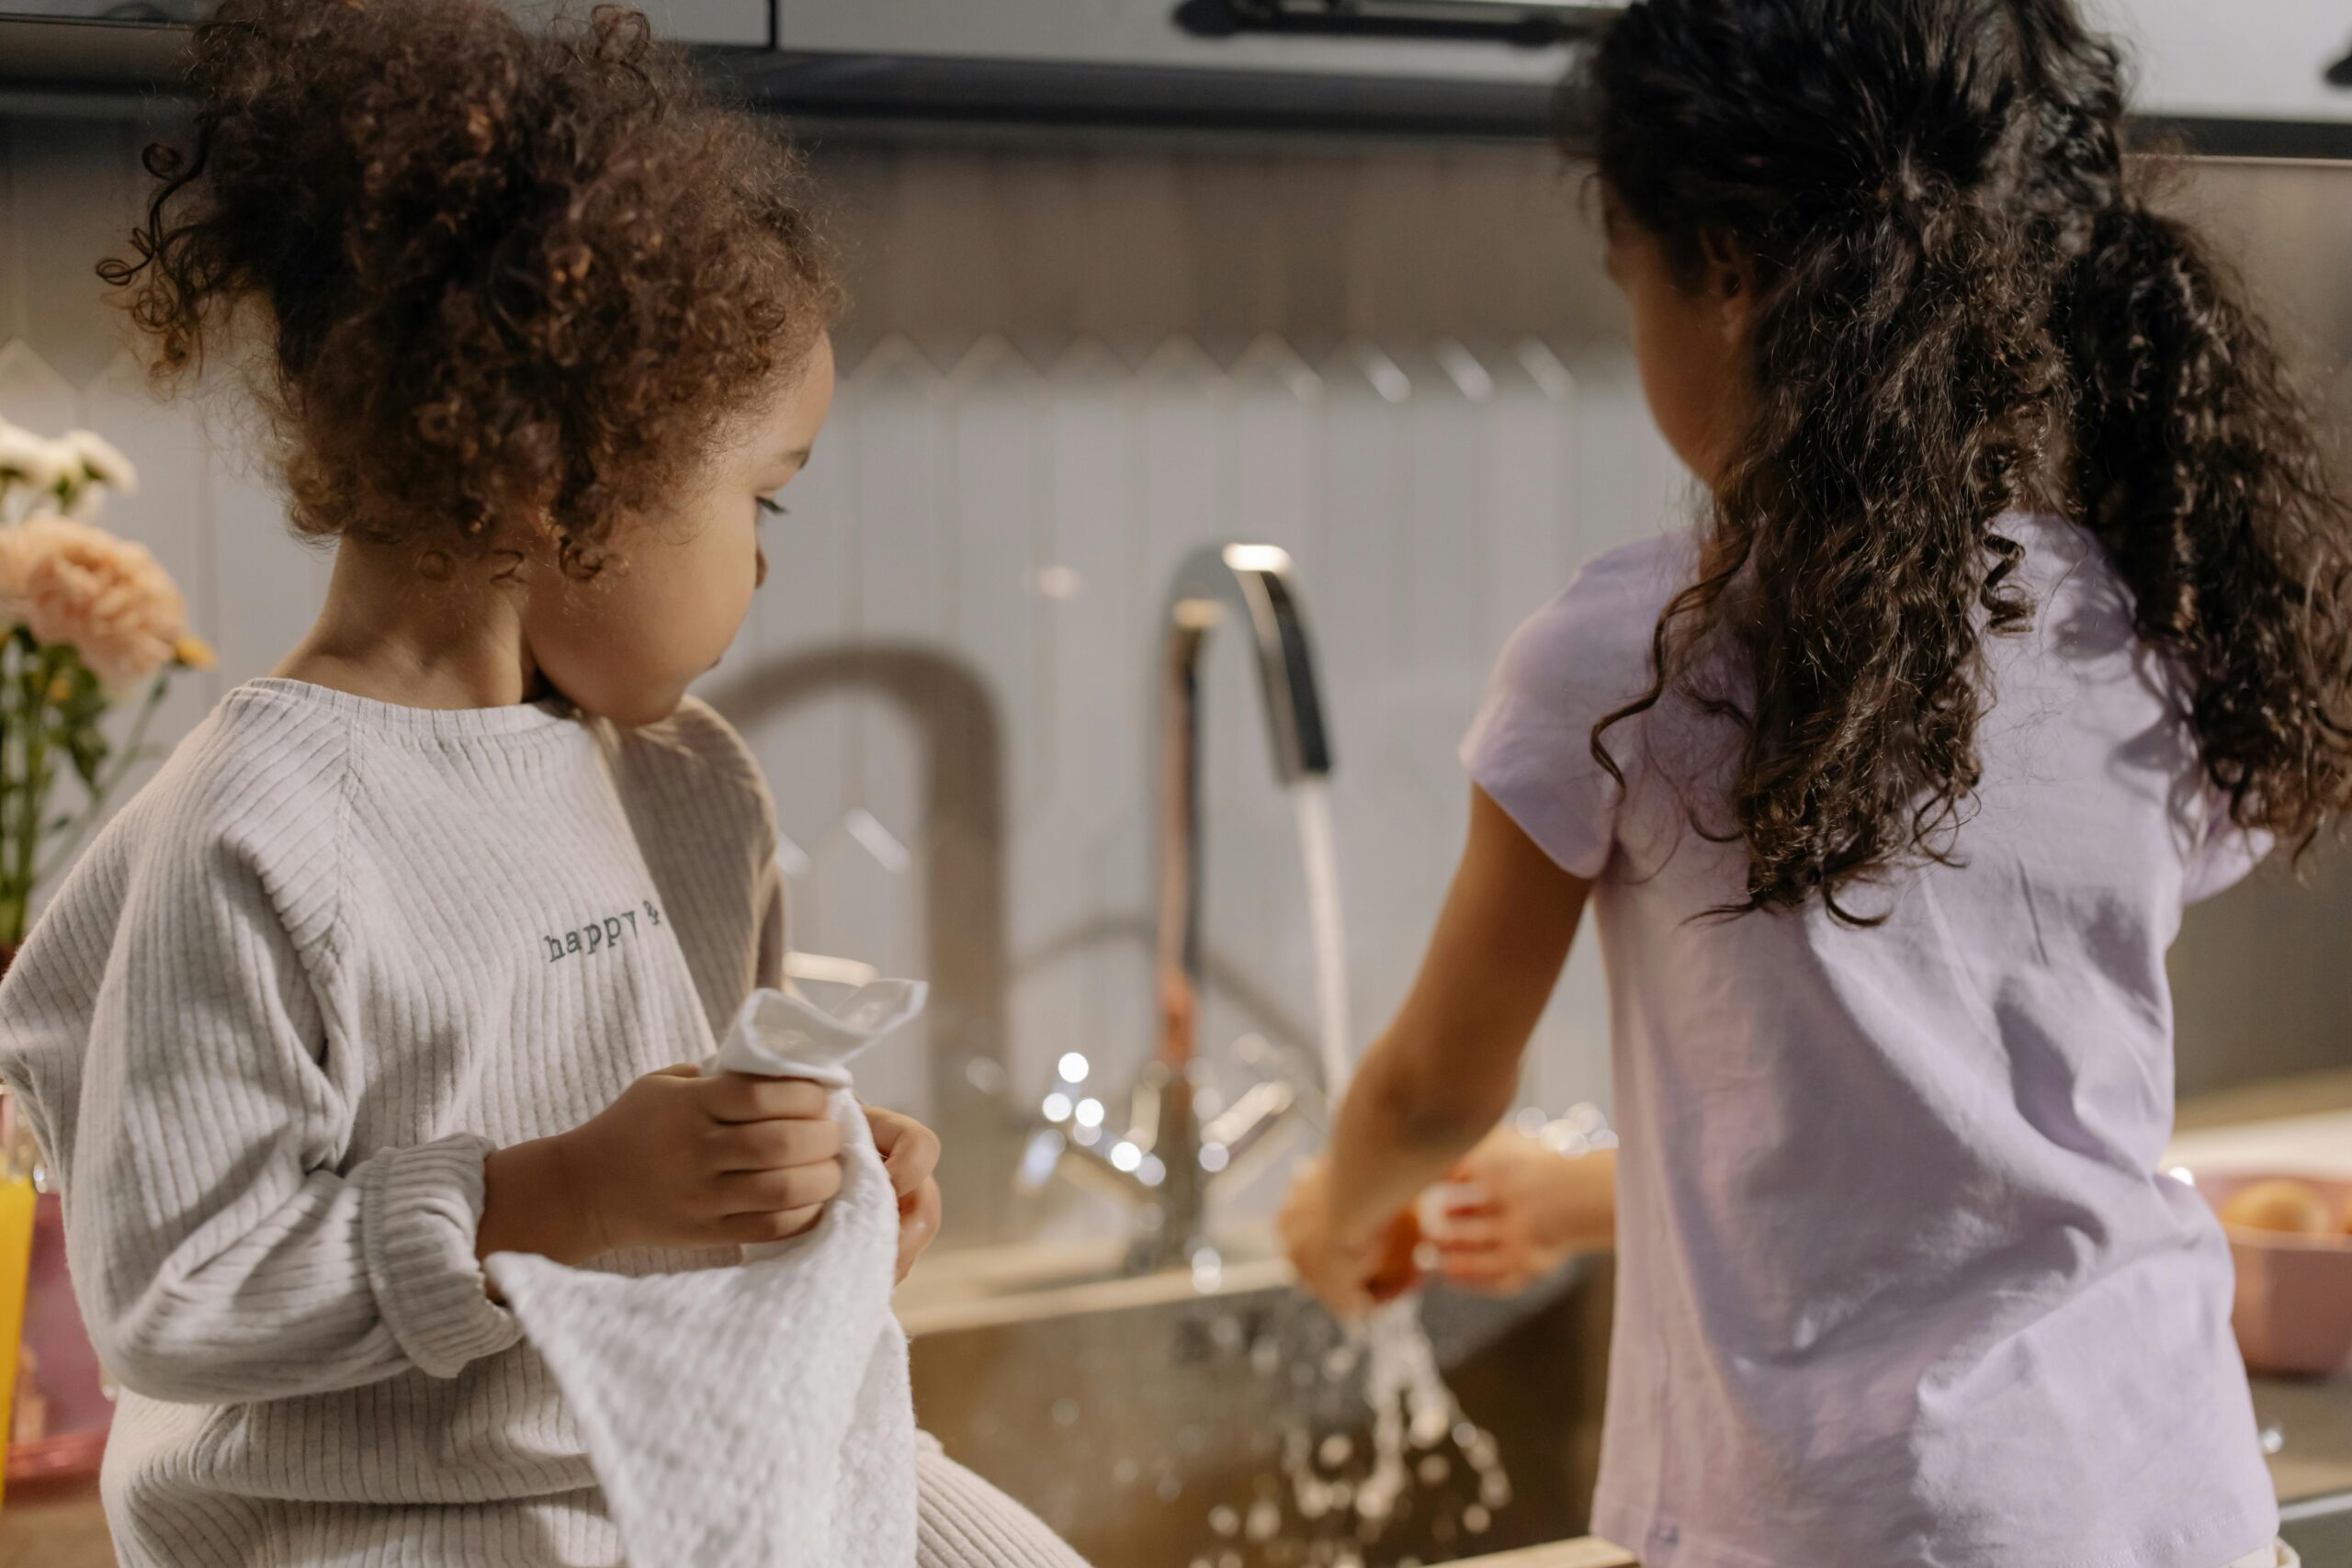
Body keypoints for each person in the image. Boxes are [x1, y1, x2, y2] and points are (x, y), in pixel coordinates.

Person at [0, 3, 1083, 1563]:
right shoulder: (261, 827)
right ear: (557, 472)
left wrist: (810, 1190)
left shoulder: (686, 791)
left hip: (668, 1481)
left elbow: (689, 1175)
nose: (767, 567)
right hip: (384, 1531)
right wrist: (552, 1198)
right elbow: (175, 1290)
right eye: (760, 501)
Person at [1281, 3, 2349, 1565]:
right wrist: (1582, 1201)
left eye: (1627, 275)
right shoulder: (2139, 625)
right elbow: (1931, 1122)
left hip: (1857, 1527)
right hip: (2168, 1490)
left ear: (1717, 267)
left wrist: (1328, 1215)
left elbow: (1435, 1087)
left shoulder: (1638, 656)